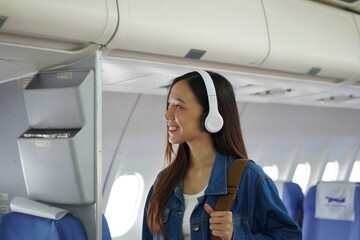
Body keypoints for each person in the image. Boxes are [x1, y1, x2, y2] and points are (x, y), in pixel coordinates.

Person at [142, 70, 302, 239]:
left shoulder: (249, 178)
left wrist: (235, 235)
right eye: (168, 106)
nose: (167, 115)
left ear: (211, 115)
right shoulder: (163, 182)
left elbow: (290, 236)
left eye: (178, 106)